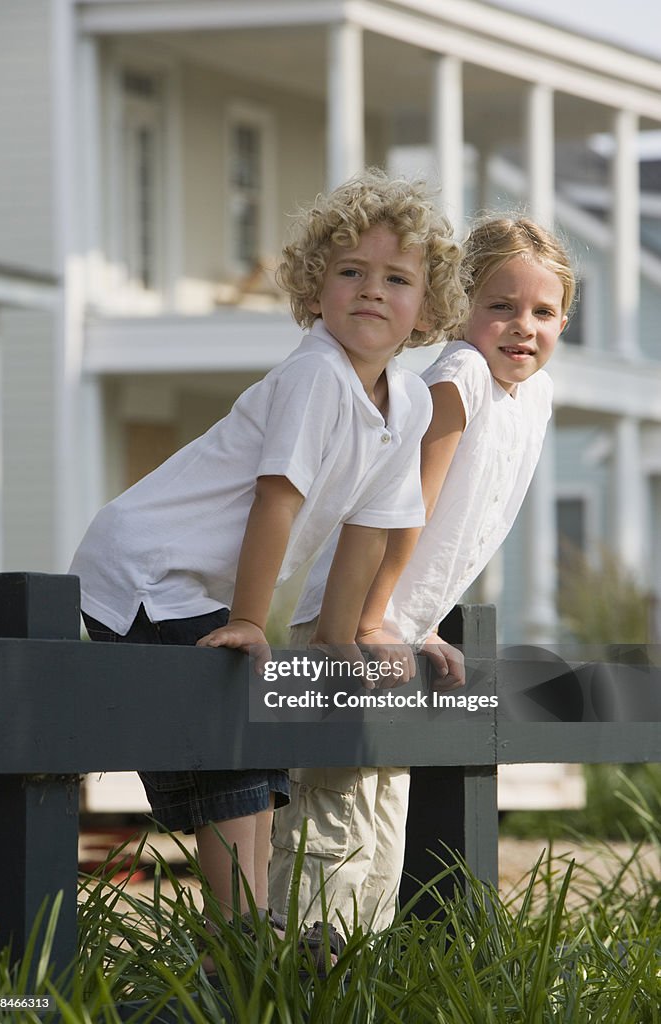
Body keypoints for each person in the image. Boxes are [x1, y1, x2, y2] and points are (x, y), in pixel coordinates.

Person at [69, 169, 468, 942]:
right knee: (226, 751)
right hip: (144, 569)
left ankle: (251, 932)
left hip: (193, 585)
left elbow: (368, 527)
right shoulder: (315, 374)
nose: (371, 291)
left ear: (428, 306)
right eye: (349, 273)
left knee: (252, 760)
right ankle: (238, 940)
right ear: (314, 290)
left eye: (396, 278)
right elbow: (276, 501)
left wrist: (341, 637)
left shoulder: (407, 400)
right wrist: (253, 619)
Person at [269, 215, 576, 933]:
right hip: (346, 626)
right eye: (499, 306)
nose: (521, 326)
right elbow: (405, 505)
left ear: (565, 319)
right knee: (331, 822)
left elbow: (464, 532)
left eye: (542, 311)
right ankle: (289, 984)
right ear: (459, 306)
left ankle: (356, 986)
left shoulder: (534, 396)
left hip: (396, 630)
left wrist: (424, 622)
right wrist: (372, 622)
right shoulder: (459, 375)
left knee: (382, 837)